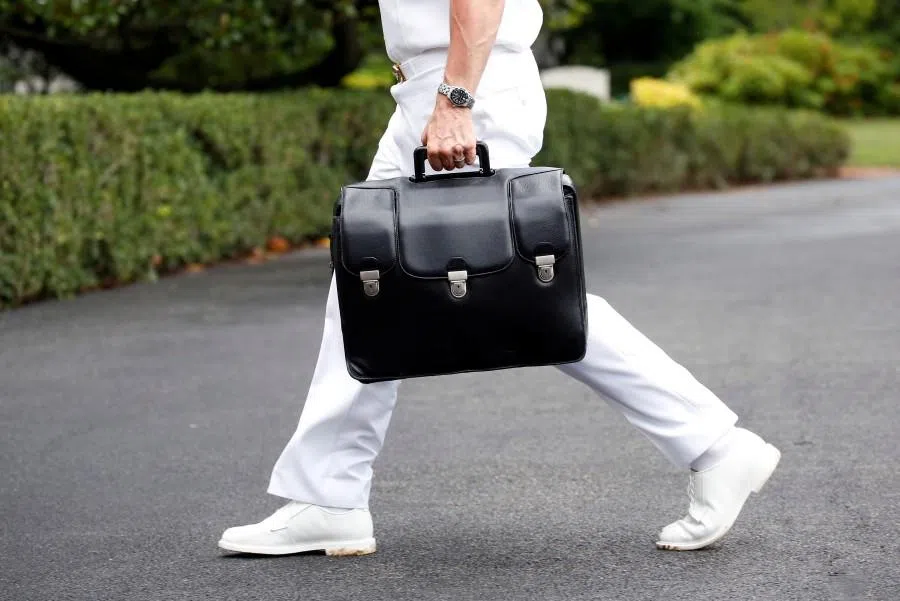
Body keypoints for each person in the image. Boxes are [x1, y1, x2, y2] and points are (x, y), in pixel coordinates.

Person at [218, 0, 781, 556]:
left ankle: (715, 446)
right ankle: (329, 496)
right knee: (371, 285)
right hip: (443, 86)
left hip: (466, 88)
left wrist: (454, 100)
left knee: (521, 295)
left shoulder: (459, 93)